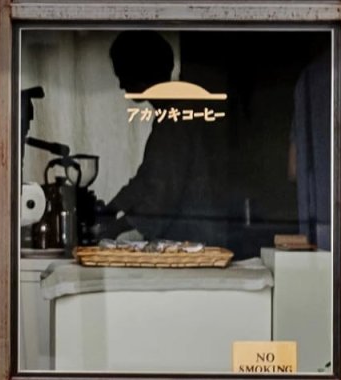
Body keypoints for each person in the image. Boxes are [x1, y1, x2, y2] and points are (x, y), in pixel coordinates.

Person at [102, 30, 258, 256]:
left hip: (193, 246)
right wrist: (112, 208)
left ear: (140, 72)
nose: (120, 84)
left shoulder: (176, 118)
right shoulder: (173, 112)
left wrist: (115, 227)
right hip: (193, 242)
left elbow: (161, 199)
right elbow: (148, 178)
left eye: (122, 74)